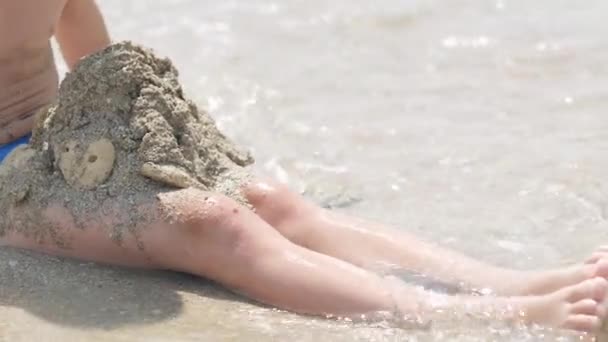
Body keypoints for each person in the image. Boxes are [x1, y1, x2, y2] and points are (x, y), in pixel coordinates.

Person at [2, 0, 608, 334]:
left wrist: (154, 149)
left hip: (66, 143)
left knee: (268, 200)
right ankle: (469, 316)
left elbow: (103, 75)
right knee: (211, 222)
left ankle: (504, 281)